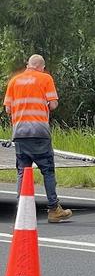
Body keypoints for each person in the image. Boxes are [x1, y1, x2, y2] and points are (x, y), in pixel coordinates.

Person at [3, 54, 72, 223]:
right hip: (39, 132)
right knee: (47, 170)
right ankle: (54, 209)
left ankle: (23, 209)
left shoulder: (14, 81)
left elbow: (7, 109)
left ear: (28, 64)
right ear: (41, 67)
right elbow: (53, 104)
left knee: (23, 171)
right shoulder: (45, 78)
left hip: (19, 133)